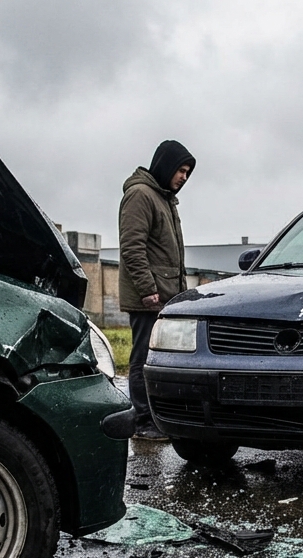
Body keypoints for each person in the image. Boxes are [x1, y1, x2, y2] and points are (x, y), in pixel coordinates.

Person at [118, 139, 195, 441]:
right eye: (181, 170)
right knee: (142, 359)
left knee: (162, 359)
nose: (183, 178)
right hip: (148, 297)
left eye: (187, 173)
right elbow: (132, 247)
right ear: (166, 166)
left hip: (167, 296)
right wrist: (148, 290)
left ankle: (160, 418)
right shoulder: (140, 195)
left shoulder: (164, 199)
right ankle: (142, 422)